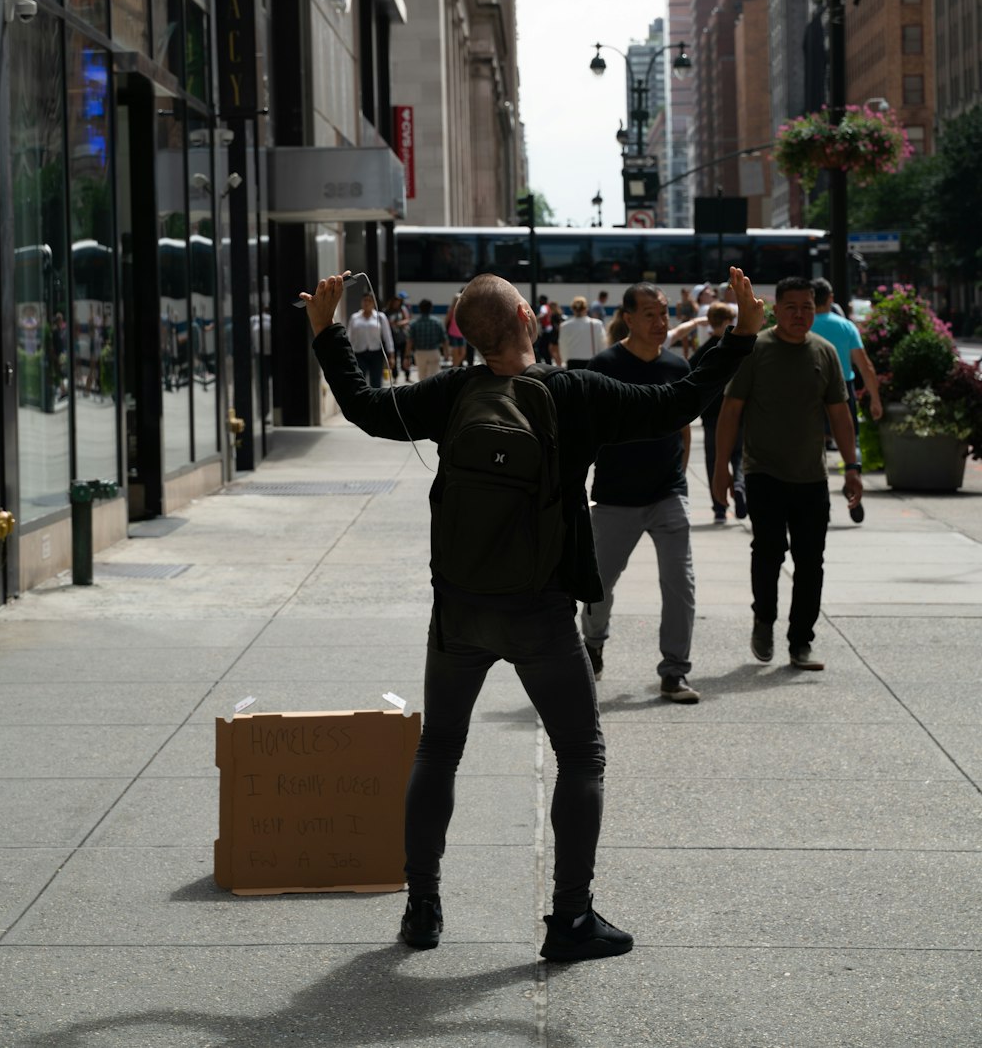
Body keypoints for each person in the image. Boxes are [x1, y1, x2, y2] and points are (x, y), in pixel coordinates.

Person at [301, 265, 765, 960]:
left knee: (439, 748)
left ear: (464, 332)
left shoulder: (451, 392)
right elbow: (676, 402)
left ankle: (422, 907)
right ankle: (570, 919)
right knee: (581, 753)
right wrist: (741, 338)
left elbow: (366, 407)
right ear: (527, 314)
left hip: (459, 609)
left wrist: (326, 332)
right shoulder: (573, 392)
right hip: (542, 609)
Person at [712, 275, 863, 673]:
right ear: (775, 309)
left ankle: (801, 642)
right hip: (763, 472)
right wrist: (721, 471)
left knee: (811, 561)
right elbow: (731, 411)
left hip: (811, 476)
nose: (800, 314)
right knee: (768, 550)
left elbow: (840, 417)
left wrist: (853, 467)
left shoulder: (826, 352)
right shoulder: (756, 350)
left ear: (818, 310)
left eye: (808, 307)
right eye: (792, 307)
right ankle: (764, 620)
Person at [581, 282, 701, 703]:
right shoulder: (604, 366)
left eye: (664, 313)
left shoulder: (676, 368)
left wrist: (678, 479)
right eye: (649, 314)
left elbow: (684, 428)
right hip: (615, 497)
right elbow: (586, 430)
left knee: (680, 584)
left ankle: (674, 671)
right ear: (628, 318)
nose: (660, 322)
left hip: (667, 495)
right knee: (599, 584)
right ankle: (593, 643)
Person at [811, 276, 883, 523]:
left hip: (811, 389)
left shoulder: (804, 325)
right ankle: (854, 490)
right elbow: (865, 366)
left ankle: (819, 499)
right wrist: (875, 399)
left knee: (814, 446)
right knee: (849, 444)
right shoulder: (846, 326)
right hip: (843, 389)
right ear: (830, 299)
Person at [691, 300, 747, 523]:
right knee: (738, 454)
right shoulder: (736, 349)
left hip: (712, 414)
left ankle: (719, 507)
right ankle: (740, 485)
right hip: (737, 410)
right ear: (726, 322)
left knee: (714, 460)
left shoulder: (704, 351)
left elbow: (690, 375)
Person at [346, 290, 394, 388]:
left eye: (369, 301)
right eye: (365, 300)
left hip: (376, 353)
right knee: (359, 382)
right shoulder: (355, 318)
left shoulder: (380, 317)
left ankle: (376, 402)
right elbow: (349, 337)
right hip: (359, 353)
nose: (367, 303)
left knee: (376, 382)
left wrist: (391, 355)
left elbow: (387, 336)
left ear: (374, 303)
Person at [556, 296, 608, 369]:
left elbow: (562, 345)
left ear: (572, 309)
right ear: (586, 309)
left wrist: (565, 360)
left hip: (572, 362)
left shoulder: (565, 326)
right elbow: (603, 344)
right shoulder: (597, 324)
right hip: (591, 362)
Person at [406, 298, 449, 380]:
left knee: (422, 376)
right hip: (434, 351)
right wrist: (446, 353)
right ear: (431, 308)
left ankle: (423, 393)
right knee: (433, 378)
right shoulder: (437, 322)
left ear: (419, 309)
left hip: (419, 352)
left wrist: (407, 356)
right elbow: (444, 339)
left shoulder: (414, 323)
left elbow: (410, 341)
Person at [444, 294, 467, 366]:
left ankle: (455, 366)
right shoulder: (451, 310)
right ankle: (455, 366)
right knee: (455, 353)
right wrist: (445, 331)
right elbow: (446, 320)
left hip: (461, 334)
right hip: (453, 334)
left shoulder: (464, 309)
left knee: (463, 353)